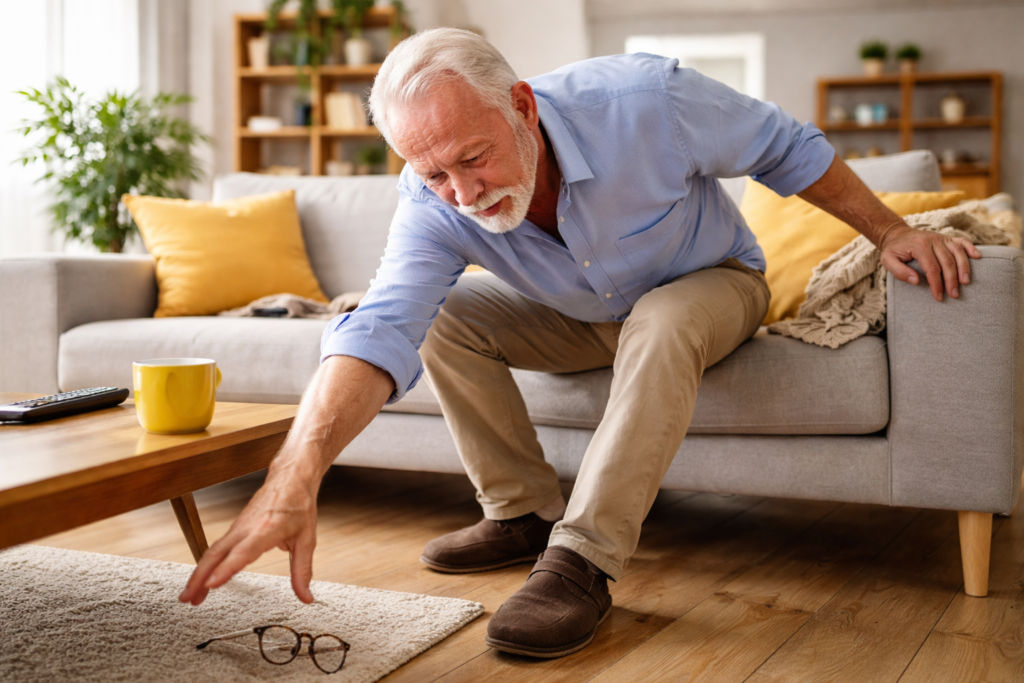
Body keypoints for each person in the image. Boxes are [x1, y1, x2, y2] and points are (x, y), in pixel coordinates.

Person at [180, 28, 980, 658]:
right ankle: (522, 510)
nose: (463, 193)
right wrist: (297, 471)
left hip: (713, 283)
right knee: (447, 313)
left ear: (523, 106)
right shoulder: (435, 202)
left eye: (473, 156)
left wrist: (891, 231)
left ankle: (581, 561)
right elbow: (383, 325)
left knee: (661, 317)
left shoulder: (646, 101)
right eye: (433, 176)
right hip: (581, 313)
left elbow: (785, 147)